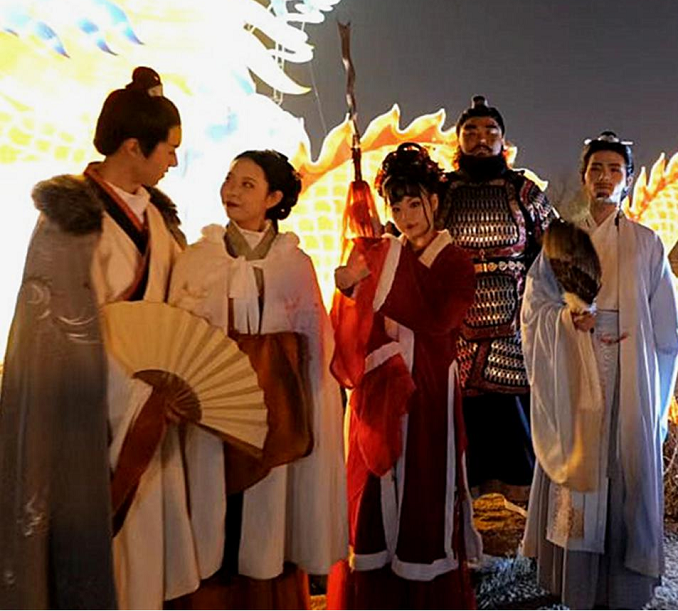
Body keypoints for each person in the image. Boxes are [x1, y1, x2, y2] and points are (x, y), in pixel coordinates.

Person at [0, 67, 185, 609]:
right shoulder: (68, 221)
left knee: (147, 566)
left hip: (155, 413)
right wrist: (136, 391)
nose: (174, 162)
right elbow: (55, 338)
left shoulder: (161, 223)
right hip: (93, 419)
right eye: (169, 149)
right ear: (133, 147)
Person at [166, 150, 348, 608]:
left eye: (247, 184)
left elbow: (315, 345)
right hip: (211, 412)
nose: (232, 190)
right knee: (212, 511)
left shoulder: (294, 265)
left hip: (276, 414)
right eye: (230, 179)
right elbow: (178, 334)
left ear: (274, 198)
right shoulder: (198, 258)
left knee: (269, 516)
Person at [521, 132, 678, 609]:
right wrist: (565, 320)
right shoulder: (563, 240)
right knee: (580, 466)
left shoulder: (646, 243)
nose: (605, 177)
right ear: (584, 177)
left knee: (622, 464)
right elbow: (534, 306)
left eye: (615, 169)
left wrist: (652, 379)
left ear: (628, 179)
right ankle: (576, 583)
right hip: (574, 366)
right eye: (596, 169)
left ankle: (620, 585)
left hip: (629, 369)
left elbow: (666, 328)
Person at [327, 143, 482, 609]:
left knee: (423, 492)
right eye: (396, 207)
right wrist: (350, 291)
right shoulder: (381, 255)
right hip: (379, 391)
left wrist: (377, 274)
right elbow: (357, 327)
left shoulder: (455, 261)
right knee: (373, 496)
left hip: (428, 391)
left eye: (415, 203)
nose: (405, 215)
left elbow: (438, 318)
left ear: (434, 201)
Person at [437, 95, 557, 502]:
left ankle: (524, 522)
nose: (481, 138)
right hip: (454, 332)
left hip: (514, 331)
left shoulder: (524, 191)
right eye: (471, 131)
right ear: (458, 139)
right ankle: (461, 519)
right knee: (458, 435)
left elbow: (557, 251)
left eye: (490, 130)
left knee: (517, 434)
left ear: (503, 139)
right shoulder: (439, 192)